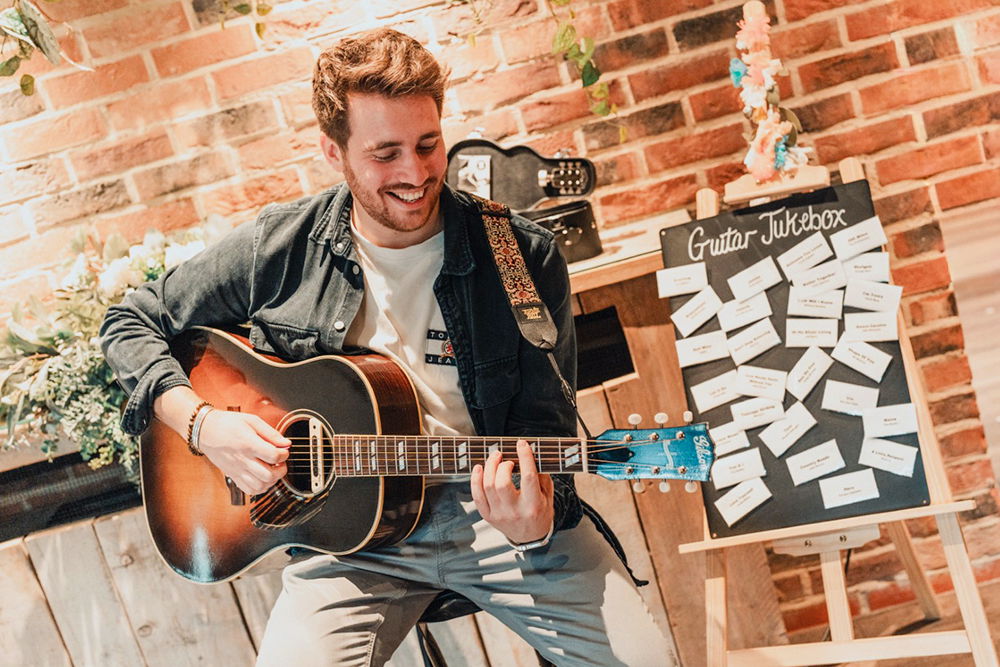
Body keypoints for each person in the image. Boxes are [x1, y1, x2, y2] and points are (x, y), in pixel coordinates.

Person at [100, 27, 671, 666]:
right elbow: (129, 321)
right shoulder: (278, 248)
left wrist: (535, 520)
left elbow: (547, 426)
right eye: (385, 153)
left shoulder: (520, 257)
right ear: (333, 151)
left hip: (496, 521)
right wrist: (204, 427)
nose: (415, 173)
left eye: (429, 145)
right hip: (349, 544)